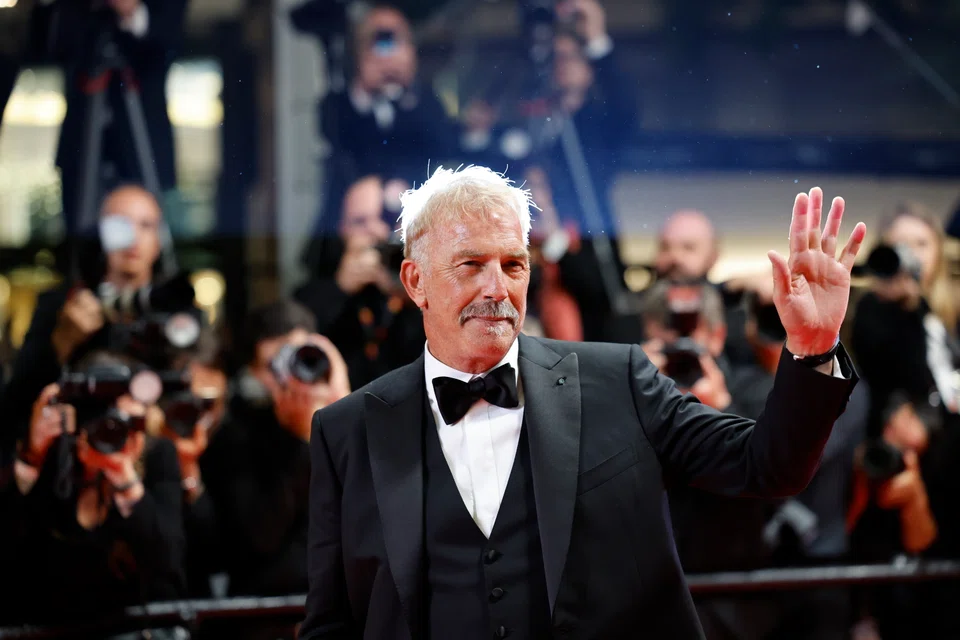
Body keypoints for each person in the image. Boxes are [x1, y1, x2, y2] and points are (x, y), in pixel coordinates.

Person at [300, 166, 864, 639]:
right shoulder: (347, 431)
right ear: (415, 281)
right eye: (470, 265)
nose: (497, 288)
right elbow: (331, 622)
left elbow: (767, 465)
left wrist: (812, 347)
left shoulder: (618, 380)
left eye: (513, 265)